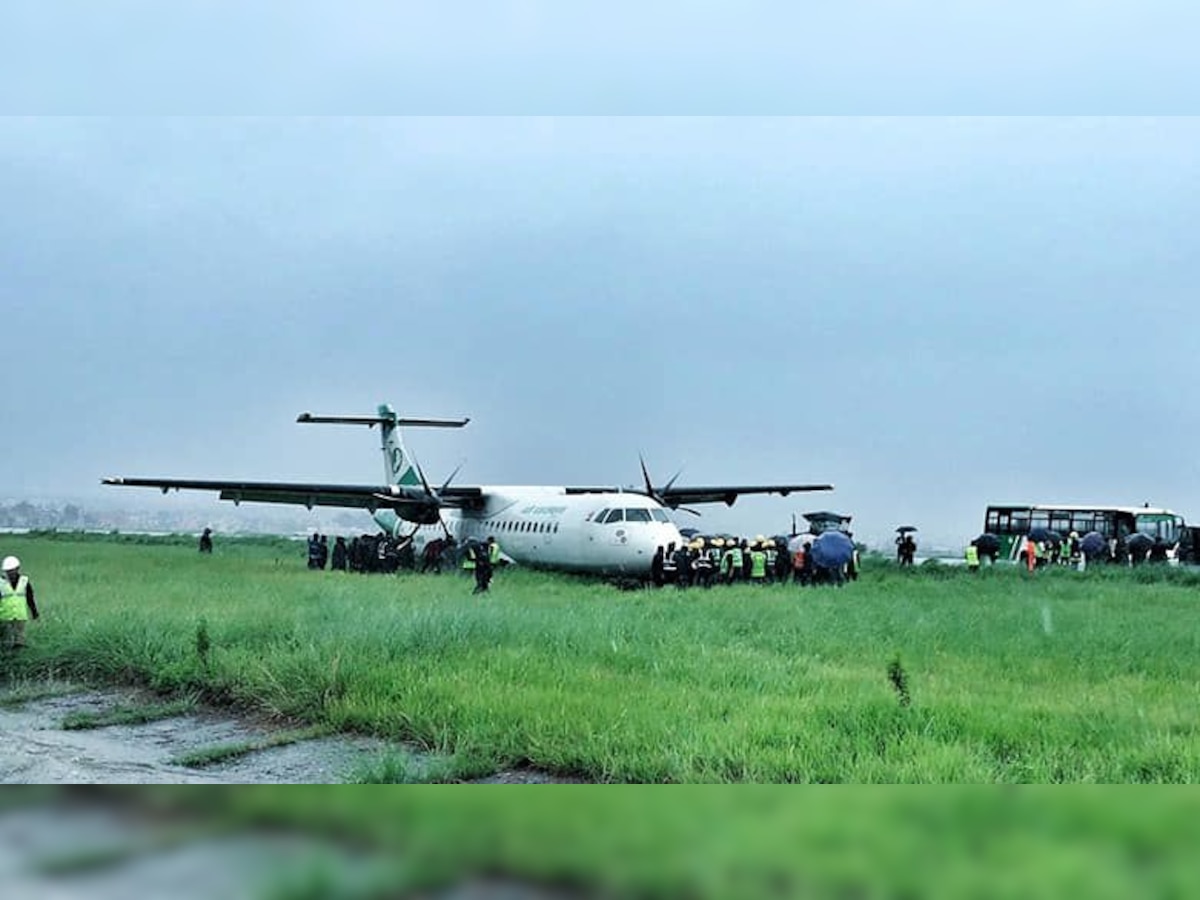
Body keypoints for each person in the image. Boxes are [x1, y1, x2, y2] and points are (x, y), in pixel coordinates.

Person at [0, 556, 38, 650]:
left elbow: (30, 598)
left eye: (12, 570)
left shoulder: (24, 581)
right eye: (8, 571)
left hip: (20, 617)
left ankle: (17, 660)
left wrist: (34, 613)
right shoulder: (0, 583)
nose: (10, 573)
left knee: (19, 642)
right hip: (4, 617)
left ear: (17, 569)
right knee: (6, 643)